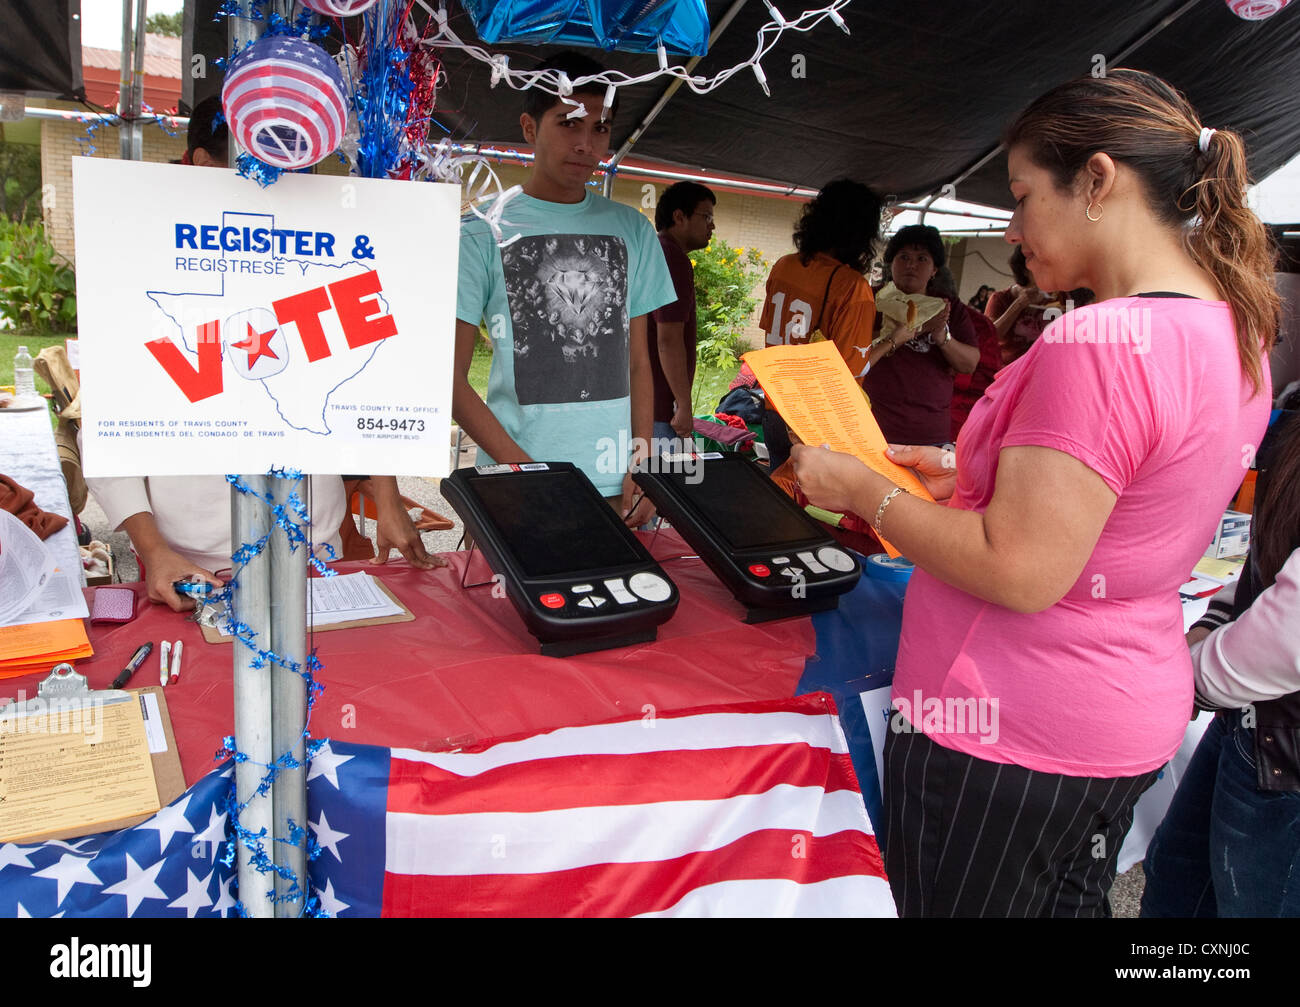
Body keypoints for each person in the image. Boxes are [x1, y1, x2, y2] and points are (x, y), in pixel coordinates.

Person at [790, 69, 1278, 916]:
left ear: (1096, 180)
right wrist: (967, 473)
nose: (1013, 230)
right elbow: (1117, 500)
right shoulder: (1234, 330)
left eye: (1021, 197)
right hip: (1120, 710)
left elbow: (1021, 569)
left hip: (1004, 731)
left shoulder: (1097, 340)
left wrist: (868, 491)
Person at [87, 100, 434, 611]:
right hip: (198, 564)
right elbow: (109, 430)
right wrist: (154, 551)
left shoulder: (324, 252)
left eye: (302, 170)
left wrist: (386, 498)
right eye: (267, 170)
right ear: (203, 165)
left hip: (320, 554)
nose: (289, 187)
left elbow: (367, 385)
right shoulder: (141, 264)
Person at [454, 52, 676, 526]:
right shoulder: (480, 230)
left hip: (616, 485)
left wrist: (644, 458)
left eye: (600, 128)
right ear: (529, 128)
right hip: (516, 483)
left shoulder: (632, 230)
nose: (585, 143)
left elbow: (638, 362)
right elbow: (449, 381)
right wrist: (526, 471)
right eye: (568, 123)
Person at [1142, 410, 1300, 917]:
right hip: (1251, 724)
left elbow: (1288, 634)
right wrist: (1213, 622)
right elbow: (1271, 563)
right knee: (1177, 879)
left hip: (1284, 755)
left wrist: (1185, 681)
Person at [758, 179, 887, 471]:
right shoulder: (853, 287)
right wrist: (893, 341)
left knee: (781, 496)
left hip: (773, 410)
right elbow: (850, 372)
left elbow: (771, 331)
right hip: (814, 423)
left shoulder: (784, 266)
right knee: (810, 512)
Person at [863, 225, 980, 446]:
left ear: (935, 269)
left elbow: (969, 364)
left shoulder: (947, 307)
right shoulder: (871, 299)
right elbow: (849, 349)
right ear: (891, 262)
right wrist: (912, 328)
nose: (911, 265)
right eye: (904, 257)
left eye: (922, 259)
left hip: (928, 435)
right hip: (870, 426)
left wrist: (941, 336)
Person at [646, 181, 714, 453]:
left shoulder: (654, 250)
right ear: (679, 217)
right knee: (664, 489)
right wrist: (684, 406)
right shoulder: (672, 257)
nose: (712, 226)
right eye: (706, 216)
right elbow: (669, 339)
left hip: (645, 402)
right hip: (661, 409)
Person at [986, 247, 1093, 364]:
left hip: (1049, 367)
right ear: (1024, 270)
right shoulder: (1001, 298)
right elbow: (989, 336)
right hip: (1011, 368)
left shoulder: (1064, 296)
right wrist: (1018, 305)